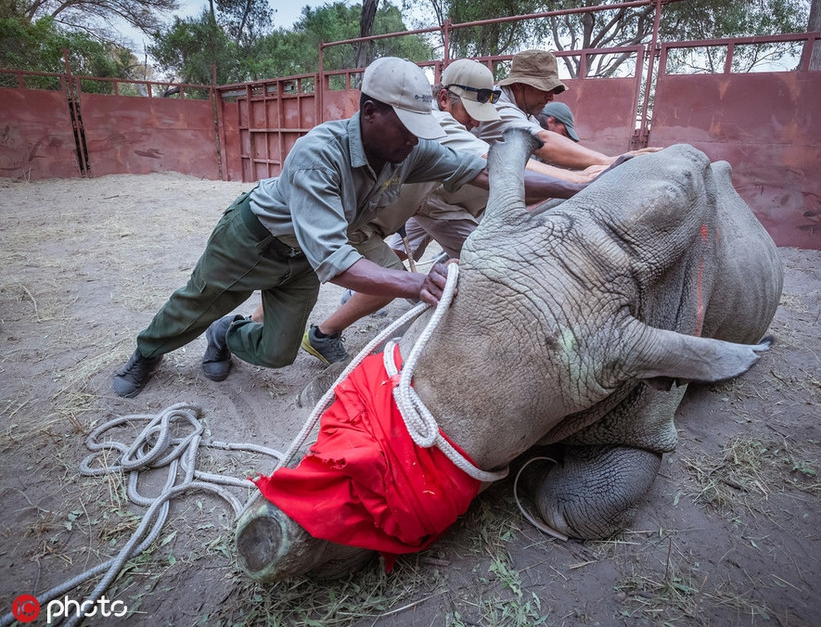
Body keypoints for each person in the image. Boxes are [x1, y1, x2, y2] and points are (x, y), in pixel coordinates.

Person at [113, 57, 586, 398]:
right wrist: (416, 282)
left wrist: (576, 188)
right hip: (254, 238)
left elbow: (485, 172)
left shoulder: (409, 148)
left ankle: (225, 334)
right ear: (370, 112)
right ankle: (148, 352)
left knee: (279, 354)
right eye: (406, 126)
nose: (415, 138)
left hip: (299, 262)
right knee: (195, 302)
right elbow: (336, 261)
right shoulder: (319, 153)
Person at [301, 58, 592, 365]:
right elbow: (491, 164)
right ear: (443, 99)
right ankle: (320, 330)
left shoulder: (437, 133)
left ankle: (310, 324)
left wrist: (572, 186)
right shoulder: (440, 125)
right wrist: (582, 180)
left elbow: (478, 170)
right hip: (392, 214)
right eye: (471, 112)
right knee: (371, 273)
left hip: (412, 208)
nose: (477, 123)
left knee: (334, 266)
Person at [474, 49, 623, 172]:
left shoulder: (526, 113)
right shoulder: (498, 108)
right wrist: (608, 162)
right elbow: (543, 141)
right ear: (519, 85)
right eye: (544, 89)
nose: (550, 97)